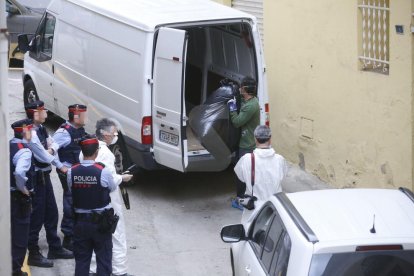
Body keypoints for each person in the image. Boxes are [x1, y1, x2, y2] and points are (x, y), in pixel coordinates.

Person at [23, 101, 74, 267]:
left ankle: (55, 247)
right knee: (36, 217)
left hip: (45, 176)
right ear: (35, 113)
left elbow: (53, 145)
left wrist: (52, 149)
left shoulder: (42, 129)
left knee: (51, 212)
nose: (46, 112)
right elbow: (43, 157)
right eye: (43, 110)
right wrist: (58, 162)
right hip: (36, 178)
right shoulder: (29, 132)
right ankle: (33, 253)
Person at [81, 118, 133, 276]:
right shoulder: (106, 154)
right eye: (114, 133)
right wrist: (122, 178)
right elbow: (109, 181)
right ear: (105, 134)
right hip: (108, 200)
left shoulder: (85, 151)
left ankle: (93, 269)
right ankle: (119, 271)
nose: (115, 135)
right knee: (117, 234)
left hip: (88, 201)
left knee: (95, 237)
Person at [68, 135, 117, 276]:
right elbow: (112, 188)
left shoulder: (72, 171)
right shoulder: (103, 171)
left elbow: (72, 190)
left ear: (82, 152)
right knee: (104, 260)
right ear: (97, 151)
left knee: (82, 261)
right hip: (101, 223)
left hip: (80, 222)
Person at [234, 125, 288, 225]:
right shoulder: (280, 160)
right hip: (275, 210)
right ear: (270, 139)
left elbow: (240, 176)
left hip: (253, 211)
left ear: (255, 139)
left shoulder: (246, 159)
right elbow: (283, 176)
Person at [53, 104, 87, 251]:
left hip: (77, 171)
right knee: (70, 202)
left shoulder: (80, 130)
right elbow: (50, 151)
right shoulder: (63, 133)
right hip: (68, 172)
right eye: (84, 115)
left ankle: (76, 232)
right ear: (76, 117)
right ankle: (68, 236)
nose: (86, 118)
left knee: (78, 201)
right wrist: (61, 166)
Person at [227, 76, 260, 209]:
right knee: (242, 170)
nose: (240, 88)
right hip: (245, 141)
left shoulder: (251, 106)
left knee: (242, 172)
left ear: (245, 89)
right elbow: (242, 101)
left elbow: (237, 122)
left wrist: (232, 109)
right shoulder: (249, 100)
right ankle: (243, 197)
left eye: (241, 87)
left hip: (247, 144)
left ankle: (241, 200)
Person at [9, 119, 36, 276]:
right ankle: (15, 270)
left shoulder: (8, 145)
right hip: (18, 198)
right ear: (25, 131)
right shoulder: (24, 151)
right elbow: (19, 173)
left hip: (7, 195)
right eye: (30, 130)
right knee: (20, 235)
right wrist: (23, 189)